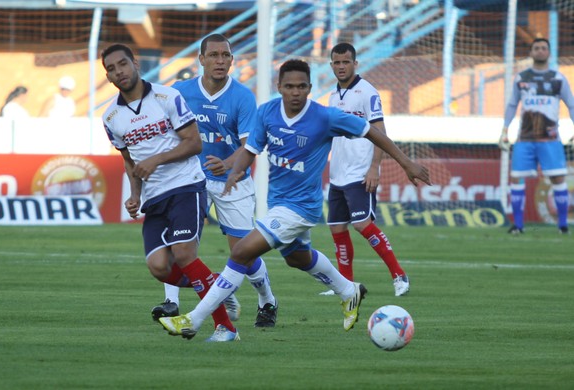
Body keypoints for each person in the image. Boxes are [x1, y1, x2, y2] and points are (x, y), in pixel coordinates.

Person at [158, 59, 430, 340]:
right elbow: (251, 149)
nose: (295, 92)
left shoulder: (325, 117)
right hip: (278, 202)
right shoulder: (267, 113)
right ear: (280, 87)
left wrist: (406, 163)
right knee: (297, 258)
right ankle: (349, 290)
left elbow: (371, 131)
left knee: (240, 252)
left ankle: (197, 320)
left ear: (310, 88)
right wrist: (233, 169)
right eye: (289, 86)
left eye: (301, 86)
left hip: (303, 207)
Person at [101, 43, 239, 342]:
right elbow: (129, 159)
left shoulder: (167, 97)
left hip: (185, 185)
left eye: (122, 64)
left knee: (185, 254)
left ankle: (226, 328)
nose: (118, 72)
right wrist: (135, 193)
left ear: (135, 63)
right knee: (159, 267)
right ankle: (217, 286)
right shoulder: (111, 117)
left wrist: (156, 160)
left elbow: (194, 144)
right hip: (154, 197)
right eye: (111, 69)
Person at [157, 33, 279, 328]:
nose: (220, 61)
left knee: (244, 253)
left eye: (225, 55)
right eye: (213, 55)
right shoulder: (180, 92)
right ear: (201, 60)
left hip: (231, 181)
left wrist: (226, 163)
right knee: (177, 243)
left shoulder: (242, 97)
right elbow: (165, 134)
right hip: (190, 179)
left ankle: (267, 300)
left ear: (232, 61)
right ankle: (172, 302)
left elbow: (250, 146)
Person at [323, 42, 410, 297]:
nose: (341, 67)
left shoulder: (367, 92)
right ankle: (346, 285)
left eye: (346, 62)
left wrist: (374, 167)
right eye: (336, 63)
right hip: (338, 172)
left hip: (360, 170)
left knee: (362, 224)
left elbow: (380, 132)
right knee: (337, 228)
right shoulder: (332, 96)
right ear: (331, 65)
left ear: (355, 64)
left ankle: (399, 274)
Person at [499, 38, 573, 235]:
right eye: (536, 48)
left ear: (549, 53)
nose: (540, 51)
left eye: (543, 48)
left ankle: (563, 225)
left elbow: (571, 104)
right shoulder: (521, 78)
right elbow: (512, 105)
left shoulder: (558, 78)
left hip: (550, 139)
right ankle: (518, 225)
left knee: (558, 179)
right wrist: (505, 130)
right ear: (531, 52)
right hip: (525, 139)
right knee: (516, 179)